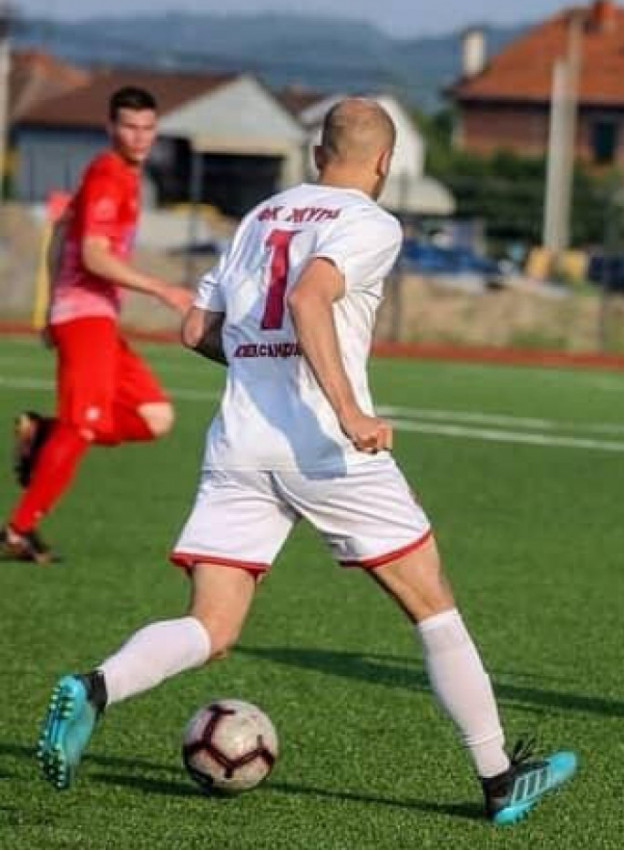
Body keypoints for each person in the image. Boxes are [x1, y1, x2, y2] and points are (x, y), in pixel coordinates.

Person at [35, 98, 576, 825]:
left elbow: (196, 329)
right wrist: (348, 410)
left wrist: (262, 366)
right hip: (325, 449)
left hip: (240, 443)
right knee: (431, 604)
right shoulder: (370, 222)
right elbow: (309, 297)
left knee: (211, 626)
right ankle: (499, 775)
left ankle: (96, 687)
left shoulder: (259, 216)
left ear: (319, 154)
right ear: (384, 161)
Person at [5, 86, 193, 565]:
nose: (140, 136)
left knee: (155, 416)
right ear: (111, 128)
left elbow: (59, 232)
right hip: (85, 316)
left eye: (148, 128)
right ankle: (17, 531)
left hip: (96, 316)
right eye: (130, 127)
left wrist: (49, 305)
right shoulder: (108, 174)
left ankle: (43, 433)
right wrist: (162, 289)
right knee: (83, 426)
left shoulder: (122, 176)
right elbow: (92, 256)